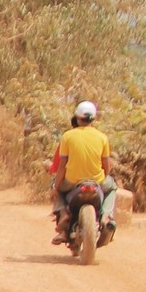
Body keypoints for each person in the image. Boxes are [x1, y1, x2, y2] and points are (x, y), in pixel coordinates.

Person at [49, 99, 116, 241]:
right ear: (93, 118)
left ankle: (63, 213)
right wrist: (103, 176)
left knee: (56, 185)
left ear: (77, 118)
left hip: (72, 182)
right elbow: (106, 166)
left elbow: (62, 166)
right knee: (112, 187)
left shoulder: (67, 136)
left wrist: (55, 187)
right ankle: (106, 215)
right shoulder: (102, 137)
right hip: (97, 181)